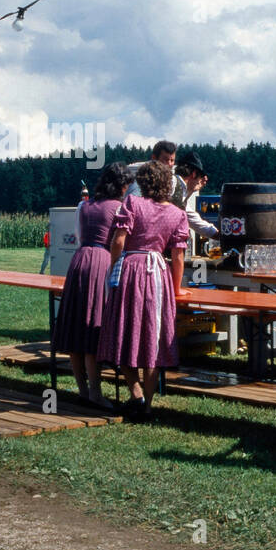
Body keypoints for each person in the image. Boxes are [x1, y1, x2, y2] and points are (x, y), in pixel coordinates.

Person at [97, 161, 189, 419]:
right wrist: (176, 288)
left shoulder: (133, 204)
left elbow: (118, 241)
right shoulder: (177, 214)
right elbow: (178, 257)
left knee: (122, 330)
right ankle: (146, 404)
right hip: (158, 272)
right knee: (153, 336)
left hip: (131, 267)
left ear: (144, 183)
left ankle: (135, 392)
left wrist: (116, 265)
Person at [52, 161, 128, 409]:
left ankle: (84, 390)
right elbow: (120, 242)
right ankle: (95, 392)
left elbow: (79, 234)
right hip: (102, 262)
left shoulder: (84, 205)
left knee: (77, 326)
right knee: (93, 327)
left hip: (80, 260)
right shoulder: (119, 207)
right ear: (122, 185)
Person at [174, 152, 218, 242]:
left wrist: (192, 190)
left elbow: (195, 221)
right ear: (194, 174)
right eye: (200, 177)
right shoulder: (174, 185)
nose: (200, 181)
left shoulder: (179, 189)